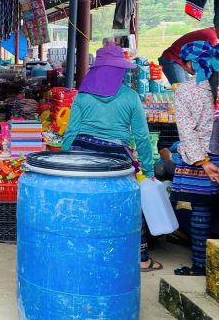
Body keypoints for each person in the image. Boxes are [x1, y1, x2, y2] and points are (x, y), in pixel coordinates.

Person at [62, 46, 158, 271]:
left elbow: (71, 132)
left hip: (80, 155)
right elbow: (142, 137)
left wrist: (64, 161)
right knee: (131, 207)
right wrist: (149, 171)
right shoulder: (131, 97)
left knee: (81, 205)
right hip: (116, 160)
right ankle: (141, 258)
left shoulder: (82, 95)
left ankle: (79, 251)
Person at [171, 41, 219, 276]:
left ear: (190, 64)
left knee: (201, 210)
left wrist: (204, 162)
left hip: (203, 159)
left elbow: (187, 131)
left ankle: (201, 264)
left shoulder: (187, 91)